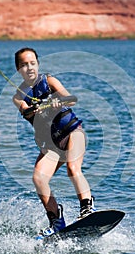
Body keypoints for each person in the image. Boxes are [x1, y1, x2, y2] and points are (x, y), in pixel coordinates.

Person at [13, 47, 95, 238]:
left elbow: (71, 98)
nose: (29, 68)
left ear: (38, 64)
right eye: (24, 65)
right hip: (52, 144)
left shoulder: (49, 81)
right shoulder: (18, 96)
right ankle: (56, 222)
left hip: (73, 133)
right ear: (18, 69)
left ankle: (87, 209)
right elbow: (25, 111)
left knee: (73, 169)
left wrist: (58, 100)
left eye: (32, 63)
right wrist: (35, 109)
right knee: (39, 178)